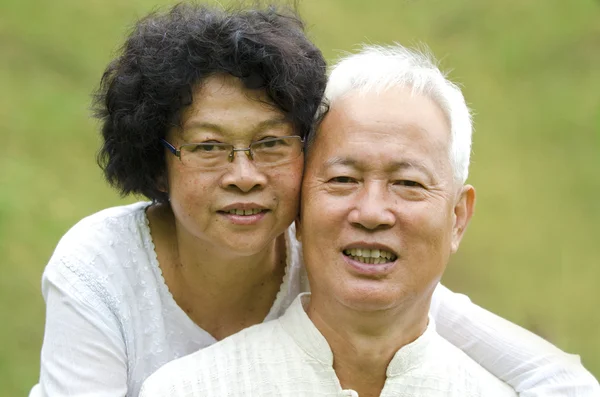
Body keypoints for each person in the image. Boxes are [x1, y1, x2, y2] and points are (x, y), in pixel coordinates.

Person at [30, 3, 599, 397]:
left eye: (271, 144)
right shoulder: (100, 268)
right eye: (208, 147)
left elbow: (559, 380)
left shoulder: (338, 254)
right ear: (157, 162)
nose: (244, 175)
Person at [134, 44, 508, 396]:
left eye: (408, 183)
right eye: (343, 180)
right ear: (299, 208)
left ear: (458, 217)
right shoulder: (191, 389)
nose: (372, 214)